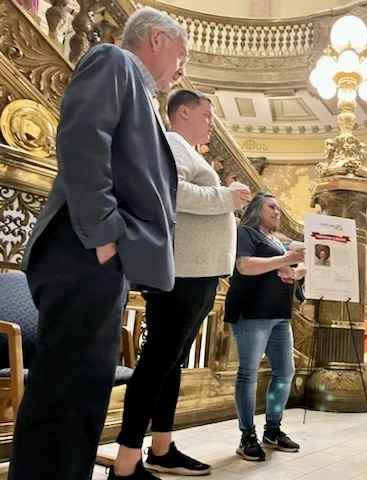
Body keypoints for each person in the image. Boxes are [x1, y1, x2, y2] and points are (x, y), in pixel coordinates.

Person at [8, 7, 187, 480]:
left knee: (83, 390)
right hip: (82, 248)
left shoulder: (139, 88)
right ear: (155, 39)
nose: (181, 70)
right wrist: (104, 233)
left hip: (95, 254)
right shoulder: (113, 60)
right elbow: (84, 138)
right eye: (180, 55)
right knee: (66, 393)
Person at [109, 90, 251, 479]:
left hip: (196, 271)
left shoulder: (188, 150)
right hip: (183, 272)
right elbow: (172, 194)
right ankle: (125, 464)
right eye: (206, 115)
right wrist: (228, 196)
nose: (211, 122)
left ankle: (162, 447)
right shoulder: (172, 144)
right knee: (157, 363)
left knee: (170, 364)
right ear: (183, 112)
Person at [224, 193, 306, 462]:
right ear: (257, 209)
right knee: (248, 373)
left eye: (279, 208)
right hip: (252, 312)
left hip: (280, 314)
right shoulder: (245, 232)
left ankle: (272, 430)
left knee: (285, 371)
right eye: (272, 207)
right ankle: (247, 435)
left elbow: (285, 268)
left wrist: (296, 271)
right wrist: (285, 261)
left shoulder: (276, 241)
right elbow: (244, 266)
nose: (278, 212)